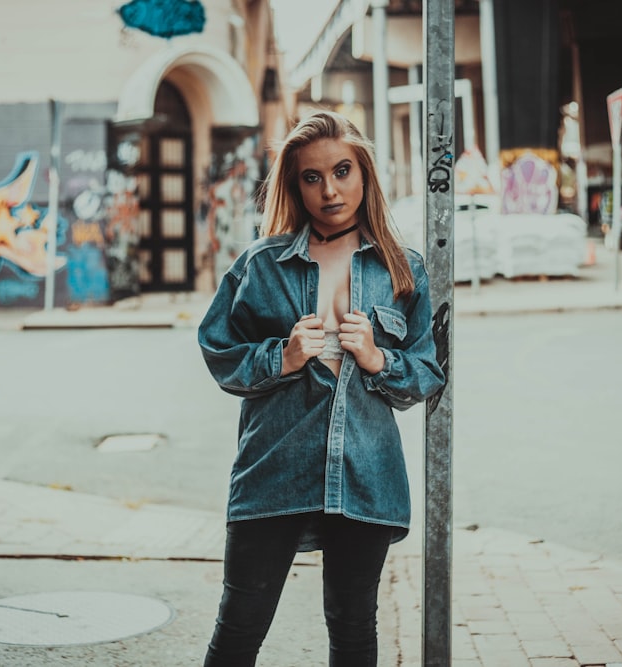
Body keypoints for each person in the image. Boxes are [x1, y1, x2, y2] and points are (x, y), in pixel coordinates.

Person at [197, 110, 446, 666]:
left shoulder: (402, 271)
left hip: (366, 474)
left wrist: (379, 358)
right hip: (273, 473)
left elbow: (425, 374)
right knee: (238, 630)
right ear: (294, 184)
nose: (329, 190)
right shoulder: (261, 266)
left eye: (341, 171)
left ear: (364, 175)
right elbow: (218, 351)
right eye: (312, 177)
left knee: (354, 629)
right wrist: (279, 357)